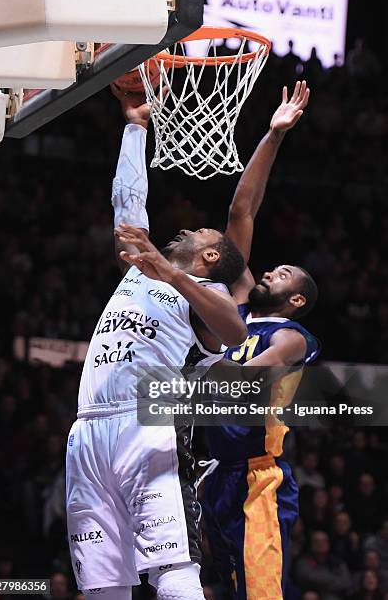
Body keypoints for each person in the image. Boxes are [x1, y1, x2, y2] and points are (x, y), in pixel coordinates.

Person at [65, 89, 247, 600]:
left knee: (170, 566)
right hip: (88, 429)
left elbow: (235, 333)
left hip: (146, 424)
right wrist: (136, 126)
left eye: (198, 231)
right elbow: (127, 202)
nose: (186, 227)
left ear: (209, 255)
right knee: (102, 581)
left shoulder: (206, 292)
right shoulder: (145, 266)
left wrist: (171, 274)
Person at [201, 81, 320, 600]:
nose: (273, 269)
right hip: (216, 475)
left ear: (297, 299)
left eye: (286, 272)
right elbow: (241, 215)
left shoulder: (293, 337)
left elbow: (252, 378)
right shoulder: (242, 311)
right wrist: (272, 136)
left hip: (258, 481)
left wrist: (203, 377)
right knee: (210, 588)